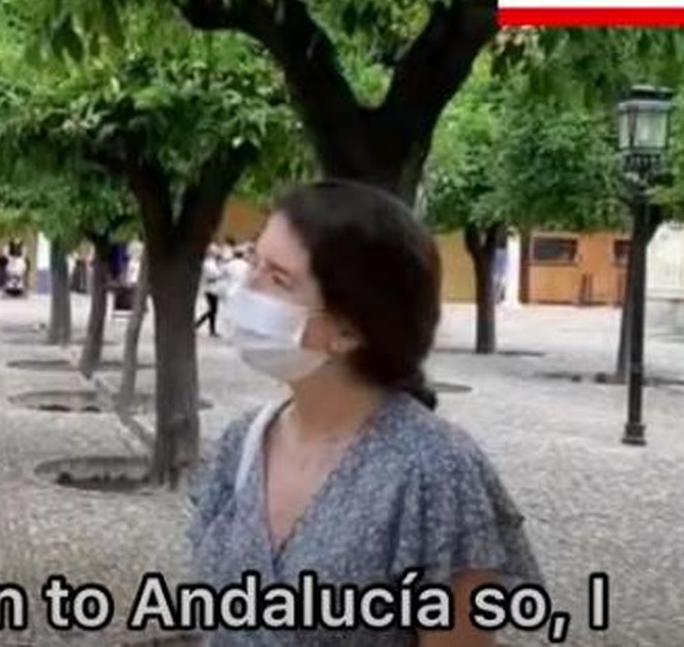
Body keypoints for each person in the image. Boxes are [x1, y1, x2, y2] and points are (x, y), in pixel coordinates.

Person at [187, 180, 540, 646]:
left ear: (348, 331)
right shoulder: (243, 443)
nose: (245, 288)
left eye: (278, 278)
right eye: (254, 260)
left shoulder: (434, 470)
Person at [195, 244, 226, 336]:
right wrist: (221, 274)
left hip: (214, 288)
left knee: (213, 310)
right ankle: (198, 324)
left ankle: (210, 329)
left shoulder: (213, 263)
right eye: (215, 252)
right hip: (210, 288)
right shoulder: (208, 263)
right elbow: (212, 275)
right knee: (213, 310)